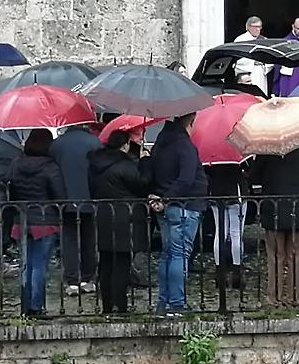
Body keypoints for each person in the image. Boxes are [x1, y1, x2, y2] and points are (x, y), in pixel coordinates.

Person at [145, 112, 208, 313]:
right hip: (184, 206)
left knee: (168, 254)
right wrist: (168, 198)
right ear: (191, 121)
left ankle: (163, 302)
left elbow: (152, 172)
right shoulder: (184, 145)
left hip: (165, 205)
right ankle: (177, 303)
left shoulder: (161, 142)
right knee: (180, 255)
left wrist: (160, 197)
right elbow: (186, 179)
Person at [87, 130, 152, 314]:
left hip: (103, 215)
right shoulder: (125, 165)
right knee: (122, 262)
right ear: (125, 145)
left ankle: (107, 305)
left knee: (106, 261)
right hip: (125, 218)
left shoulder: (94, 165)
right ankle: (120, 305)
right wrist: (145, 161)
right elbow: (143, 183)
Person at [249, 144, 299, 306]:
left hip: (274, 208)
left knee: (275, 256)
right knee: (296, 256)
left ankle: (274, 296)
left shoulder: (266, 148)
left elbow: (254, 177)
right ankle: (294, 297)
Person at [7, 129, 67, 317]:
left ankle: (25, 305)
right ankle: (36, 306)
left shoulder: (16, 164)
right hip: (45, 220)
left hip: (22, 219)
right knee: (40, 265)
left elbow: (11, 190)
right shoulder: (50, 167)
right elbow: (60, 195)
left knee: (26, 264)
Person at [49, 124, 102, 296]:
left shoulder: (57, 145)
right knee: (89, 239)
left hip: (65, 199)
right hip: (89, 198)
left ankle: (72, 280)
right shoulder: (95, 142)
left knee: (69, 240)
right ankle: (88, 278)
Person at [205, 163, 248, 290]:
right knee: (236, 234)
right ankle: (236, 272)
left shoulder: (211, 155)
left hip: (216, 191)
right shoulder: (237, 153)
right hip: (236, 192)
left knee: (220, 233)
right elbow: (248, 168)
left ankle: (220, 273)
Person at [233, 16, 273, 95]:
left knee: (261, 95)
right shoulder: (241, 40)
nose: (258, 29)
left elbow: (271, 57)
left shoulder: (264, 40)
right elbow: (237, 59)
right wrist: (253, 61)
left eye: (259, 27)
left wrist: (265, 65)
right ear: (248, 27)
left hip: (261, 72)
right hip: (247, 73)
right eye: (255, 27)